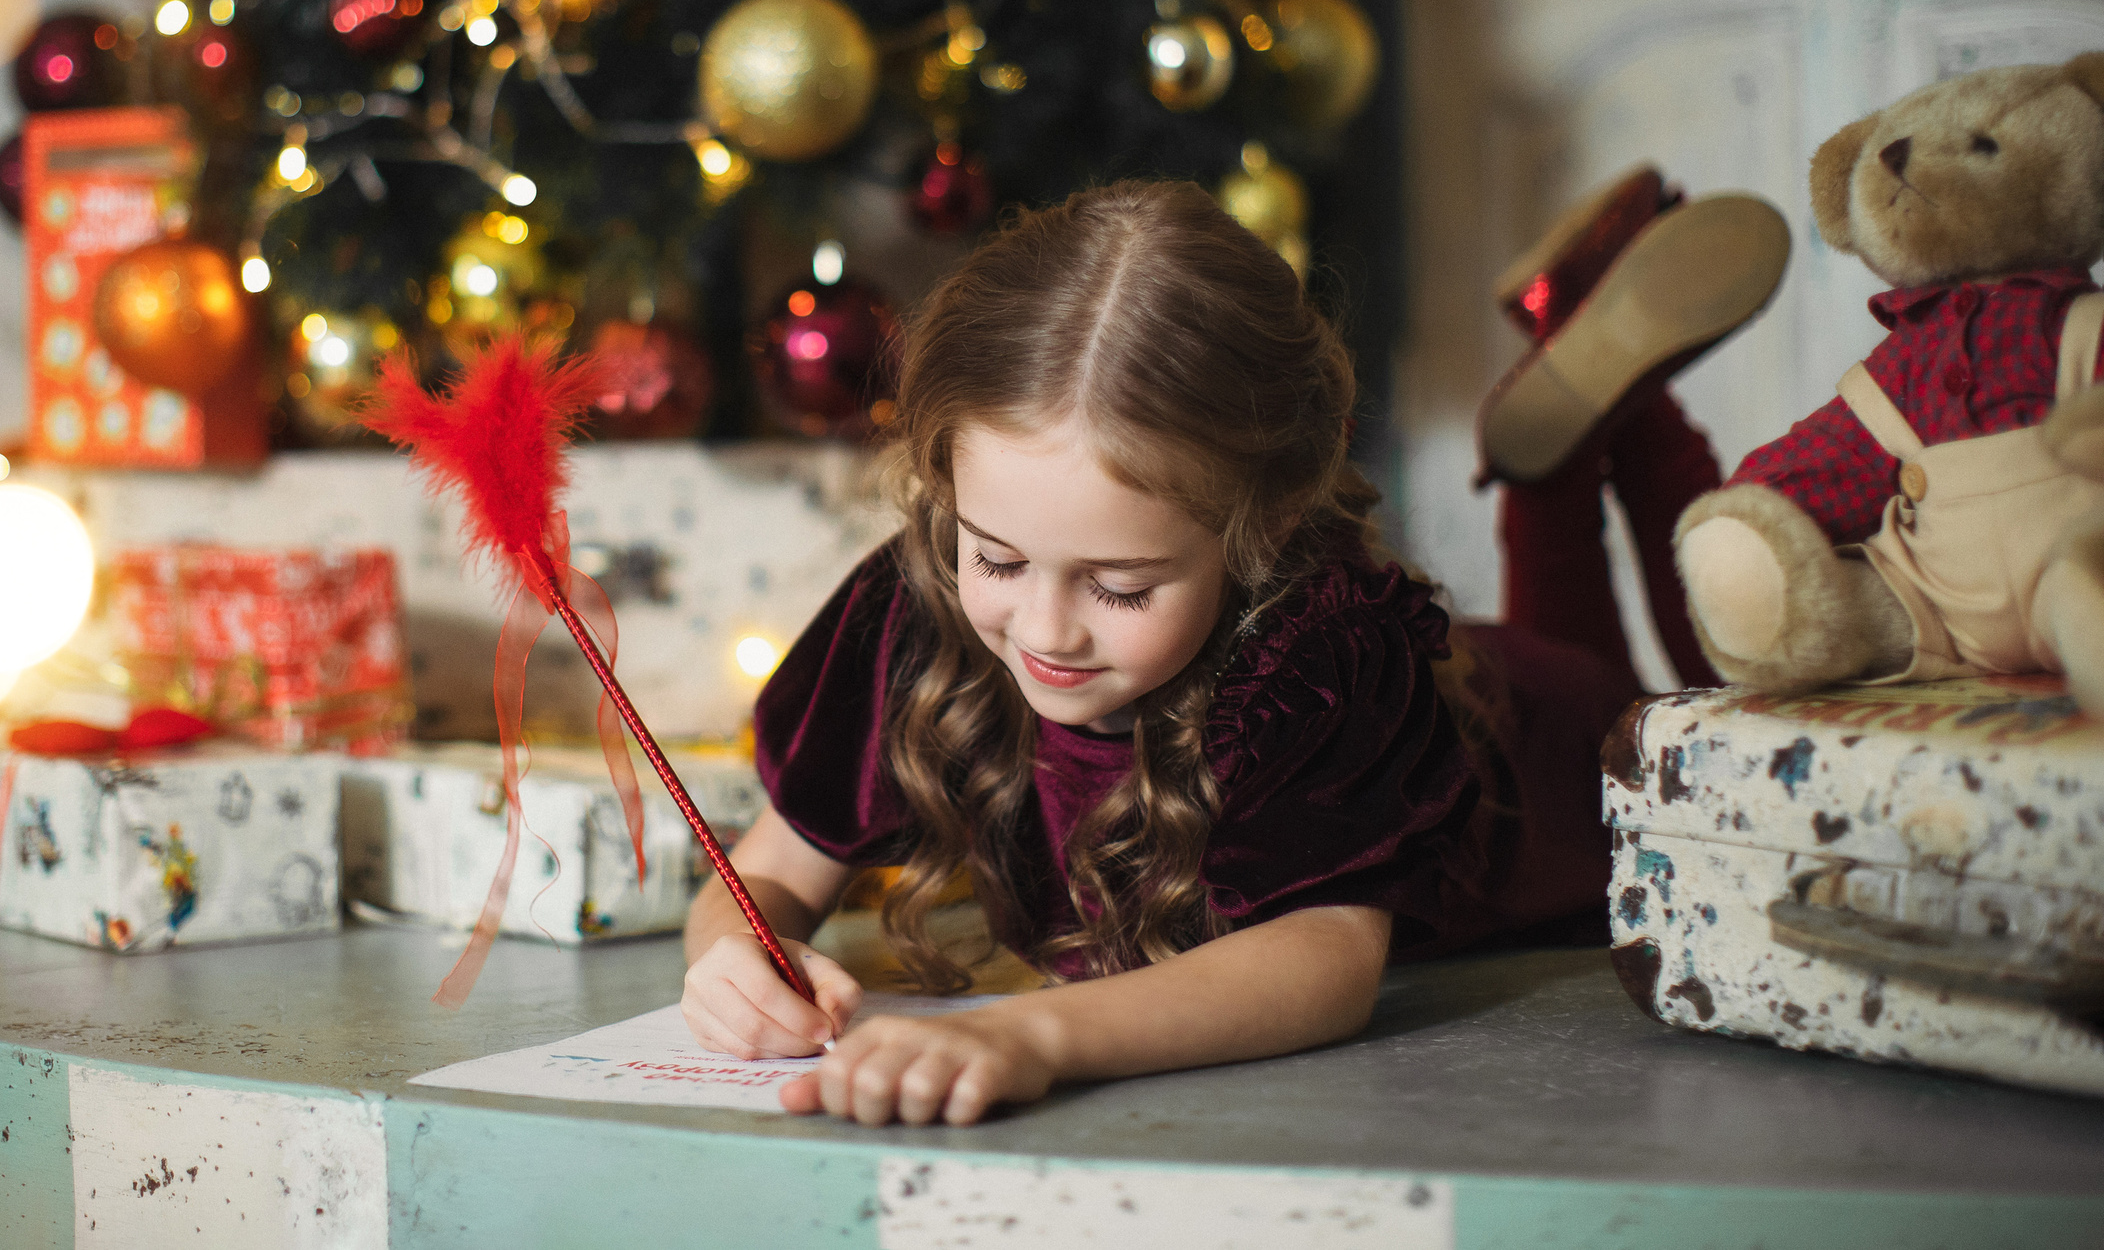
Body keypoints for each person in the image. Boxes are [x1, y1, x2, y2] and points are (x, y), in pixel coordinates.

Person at [679, 172, 1783, 1127]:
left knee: (1693, 686)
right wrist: (732, 958)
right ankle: (1562, 435)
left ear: (1255, 532)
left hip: (1550, 754)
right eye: (999, 560)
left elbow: (1321, 967)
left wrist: (1033, 1038)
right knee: (1572, 628)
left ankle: (1607, 429)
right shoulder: (916, 601)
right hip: (1493, 683)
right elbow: (768, 867)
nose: (1048, 629)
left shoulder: (1323, 652)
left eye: (1120, 586)